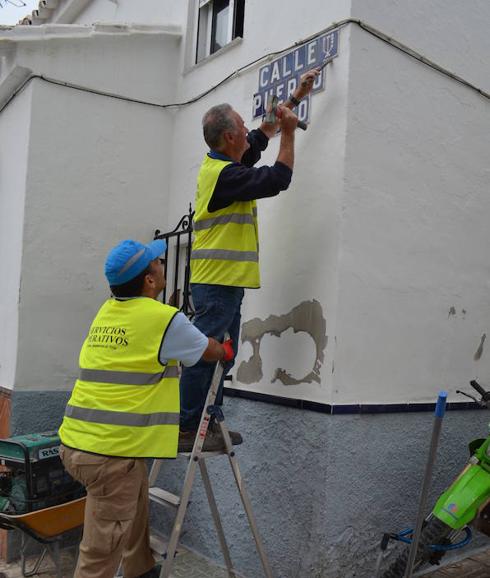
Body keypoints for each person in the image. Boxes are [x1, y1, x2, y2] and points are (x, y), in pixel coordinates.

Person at [58, 238, 233, 578]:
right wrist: (225, 351)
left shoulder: (107, 311)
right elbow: (206, 349)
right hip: (109, 455)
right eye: (157, 263)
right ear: (149, 280)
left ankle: (141, 570)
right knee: (98, 556)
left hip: (77, 443)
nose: (163, 265)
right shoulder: (163, 319)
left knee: (135, 497)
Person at [178, 68, 320, 448]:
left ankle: (210, 425)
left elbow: (261, 134)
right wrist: (290, 131)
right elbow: (278, 178)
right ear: (228, 137)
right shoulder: (225, 176)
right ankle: (191, 428)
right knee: (207, 352)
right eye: (241, 126)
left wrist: (295, 98)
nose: (248, 130)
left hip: (224, 281)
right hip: (218, 282)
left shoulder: (228, 163)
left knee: (221, 353)